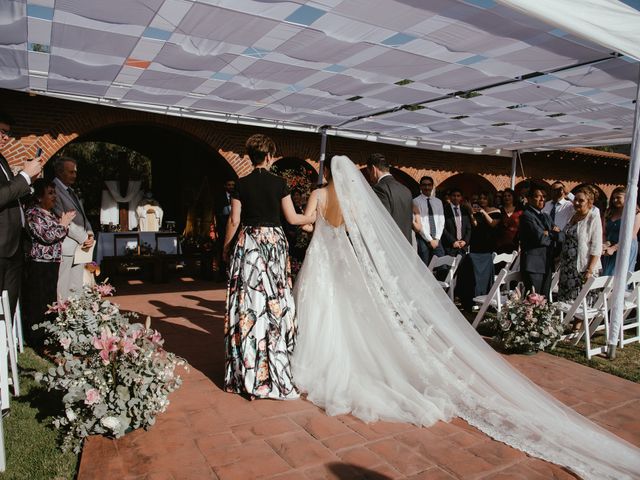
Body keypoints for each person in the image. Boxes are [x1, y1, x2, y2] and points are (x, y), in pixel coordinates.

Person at [291, 155, 639, 480]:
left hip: (325, 257)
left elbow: (305, 222)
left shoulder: (322, 195)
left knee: (324, 308)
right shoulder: (366, 196)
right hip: (350, 261)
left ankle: (324, 356)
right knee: (346, 311)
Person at [222, 134, 313, 400]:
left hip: (249, 243)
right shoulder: (280, 183)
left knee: (249, 302)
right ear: (270, 156)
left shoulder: (241, 184)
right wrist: (317, 215)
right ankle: (275, 360)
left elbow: (234, 220)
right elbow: (293, 218)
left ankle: (249, 366)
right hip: (274, 243)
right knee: (274, 300)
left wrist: (226, 247)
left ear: (251, 157)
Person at [23, 179, 75, 348]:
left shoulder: (50, 214)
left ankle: (49, 336)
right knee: (38, 302)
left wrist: (62, 225)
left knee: (50, 301)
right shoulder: (33, 213)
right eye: (50, 193)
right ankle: (36, 339)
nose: (54, 197)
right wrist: (64, 225)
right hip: (39, 265)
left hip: (52, 263)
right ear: (39, 197)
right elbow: (46, 236)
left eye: (55, 193)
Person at [0, 111, 43, 314]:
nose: (5, 137)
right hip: (1, 245)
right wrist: (25, 176)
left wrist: (30, 183)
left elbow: (11, 196)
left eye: (7, 133)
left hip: (14, 245)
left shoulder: (2, 159)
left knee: (9, 304)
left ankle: (6, 343)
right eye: (1, 131)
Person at [53, 156, 94, 301]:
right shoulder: (54, 190)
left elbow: (82, 215)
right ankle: (63, 319)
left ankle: (76, 318)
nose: (74, 175)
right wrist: (83, 238)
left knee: (76, 287)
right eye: (71, 172)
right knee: (63, 286)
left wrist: (89, 233)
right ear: (59, 172)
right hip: (67, 246)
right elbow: (62, 217)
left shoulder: (71, 191)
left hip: (80, 247)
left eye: (75, 172)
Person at [557, 187, 603, 303]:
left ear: (590, 202)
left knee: (581, 304)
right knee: (565, 302)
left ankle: (578, 322)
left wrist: (589, 270)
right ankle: (567, 321)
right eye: (575, 199)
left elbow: (596, 246)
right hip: (567, 266)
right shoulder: (572, 214)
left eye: (581, 200)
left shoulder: (593, 217)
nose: (576, 202)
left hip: (582, 267)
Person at [519, 186, 562, 297]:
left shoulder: (546, 216)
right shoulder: (526, 216)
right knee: (533, 300)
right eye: (538, 196)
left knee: (544, 299)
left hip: (547, 262)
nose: (542, 199)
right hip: (533, 264)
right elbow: (540, 238)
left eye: (544, 197)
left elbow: (562, 235)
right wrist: (552, 234)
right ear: (529, 198)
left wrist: (548, 233)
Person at [366, 153, 413, 243]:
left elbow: (382, 221)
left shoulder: (380, 188)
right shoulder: (406, 190)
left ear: (373, 169)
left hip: (390, 245)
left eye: (369, 173)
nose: (370, 178)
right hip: (407, 245)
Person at [466, 192, 501, 304]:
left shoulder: (496, 211)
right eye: (480, 198)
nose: (482, 200)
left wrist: (483, 212)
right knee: (476, 270)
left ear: (489, 199)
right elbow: (475, 224)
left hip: (488, 243)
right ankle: (476, 295)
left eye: (484, 198)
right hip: (476, 243)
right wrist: (472, 213)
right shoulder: (477, 212)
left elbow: (493, 224)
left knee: (487, 270)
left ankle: (487, 294)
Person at [602, 186, 640, 276]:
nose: (615, 200)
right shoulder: (609, 212)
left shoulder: (635, 213)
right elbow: (604, 232)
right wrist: (604, 244)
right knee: (607, 275)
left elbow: (632, 235)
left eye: (618, 197)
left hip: (625, 247)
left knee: (618, 276)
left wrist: (614, 248)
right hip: (609, 247)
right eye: (613, 198)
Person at [413, 176, 445, 266]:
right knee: (424, 266)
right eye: (424, 185)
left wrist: (437, 238)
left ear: (432, 186)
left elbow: (441, 221)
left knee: (442, 265)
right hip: (423, 238)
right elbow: (420, 222)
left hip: (437, 238)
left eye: (429, 185)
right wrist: (430, 240)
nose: (426, 187)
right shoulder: (415, 201)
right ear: (420, 187)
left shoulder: (438, 202)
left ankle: (439, 281)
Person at [441, 188, 471, 256]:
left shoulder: (465, 210)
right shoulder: (444, 210)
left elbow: (468, 228)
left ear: (461, 197)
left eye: (458, 196)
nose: (456, 198)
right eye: (454, 195)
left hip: (463, 247)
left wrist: (465, 241)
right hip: (450, 246)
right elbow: (443, 228)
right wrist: (453, 241)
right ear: (450, 197)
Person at [496, 188, 522, 254]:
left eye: (509, 195)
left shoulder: (520, 210)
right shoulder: (499, 210)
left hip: (515, 242)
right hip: (500, 243)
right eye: (505, 196)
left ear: (513, 197)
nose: (507, 197)